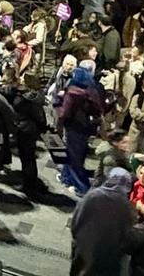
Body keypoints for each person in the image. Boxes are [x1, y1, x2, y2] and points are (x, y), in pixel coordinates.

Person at [69, 168, 134, 276]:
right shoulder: (126, 206)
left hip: (86, 242)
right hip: (110, 249)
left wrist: (77, 237)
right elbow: (127, 232)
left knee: (80, 269)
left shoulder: (93, 195)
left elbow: (77, 219)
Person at [58, 67, 104, 195]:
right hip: (86, 127)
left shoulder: (72, 92)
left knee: (73, 157)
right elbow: (98, 109)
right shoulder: (92, 90)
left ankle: (82, 187)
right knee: (78, 155)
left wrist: (59, 123)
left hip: (74, 127)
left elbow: (64, 113)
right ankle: (66, 178)